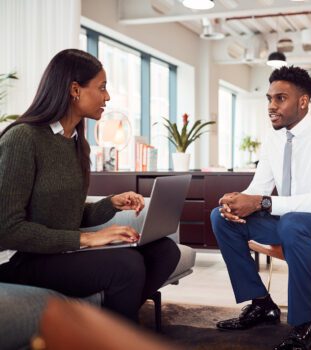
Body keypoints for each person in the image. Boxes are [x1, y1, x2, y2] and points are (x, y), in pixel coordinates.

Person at [0, 49, 180, 323]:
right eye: (102, 88)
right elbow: (8, 229)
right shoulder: (23, 139)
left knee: (166, 251)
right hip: (25, 260)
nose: (107, 97)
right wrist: (86, 239)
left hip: (61, 252)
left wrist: (111, 203)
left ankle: (106, 325)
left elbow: (66, 213)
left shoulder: (76, 142)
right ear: (75, 90)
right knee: (126, 266)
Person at [210, 66, 311, 350]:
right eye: (269, 98)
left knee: (294, 222)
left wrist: (262, 203)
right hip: (292, 222)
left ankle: (308, 324)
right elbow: (259, 188)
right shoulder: (273, 138)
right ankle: (262, 304)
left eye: (280, 98)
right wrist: (237, 201)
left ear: (303, 101)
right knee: (220, 218)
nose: (271, 106)